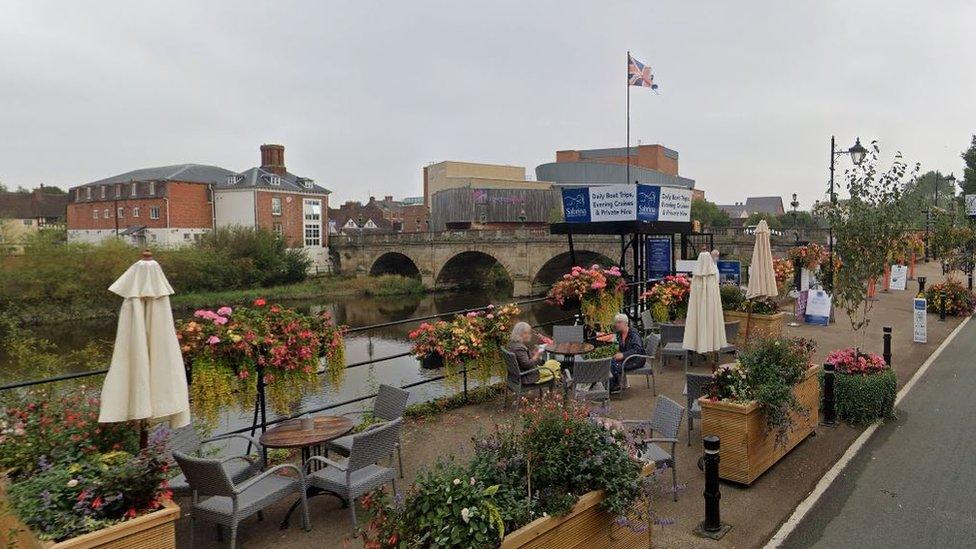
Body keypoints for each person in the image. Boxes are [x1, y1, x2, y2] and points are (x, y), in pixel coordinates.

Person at [610, 313, 644, 392]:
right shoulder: (620, 333)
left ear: (626, 323)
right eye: (616, 322)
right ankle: (618, 384)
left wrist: (623, 355)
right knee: (610, 361)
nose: (616, 324)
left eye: (619, 322)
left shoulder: (633, 334)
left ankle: (617, 386)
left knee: (615, 365)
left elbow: (637, 349)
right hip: (629, 358)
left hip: (637, 359)